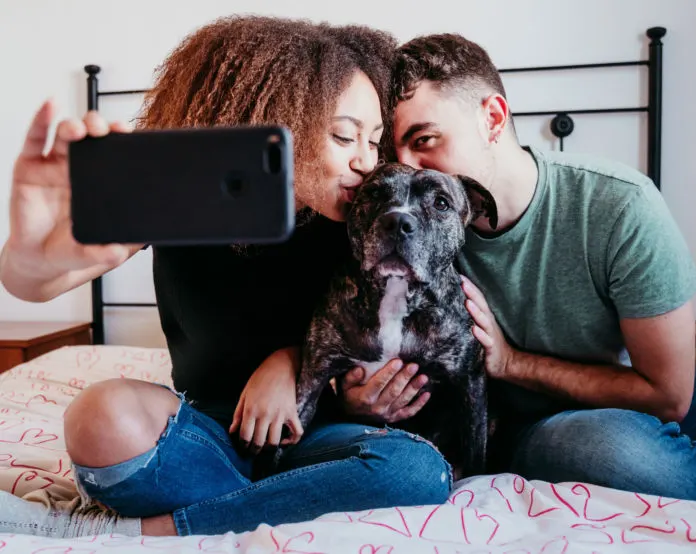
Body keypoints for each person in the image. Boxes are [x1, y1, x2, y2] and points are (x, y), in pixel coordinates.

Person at [0, 15, 452, 538]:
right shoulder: (181, 203)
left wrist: (294, 363)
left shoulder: (368, 219)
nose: (363, 162)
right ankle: (270, 502)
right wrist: (36, 254)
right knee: (98, 415)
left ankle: (148, 531)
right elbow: (29, 284)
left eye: (373, 141)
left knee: (418, 470)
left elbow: (392, 337)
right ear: (272, 119)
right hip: (204, 437)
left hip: (320, 438)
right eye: (343, 136)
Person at [385, 32, 696, 511]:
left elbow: (668, 395)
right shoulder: (400, 230)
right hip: (532, 427)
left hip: (638, 389)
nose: (408, 168)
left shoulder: (618, 204)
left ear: (493, 118)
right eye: (393, 152)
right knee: (609, 448)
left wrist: (511, 361)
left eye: (425, 140)